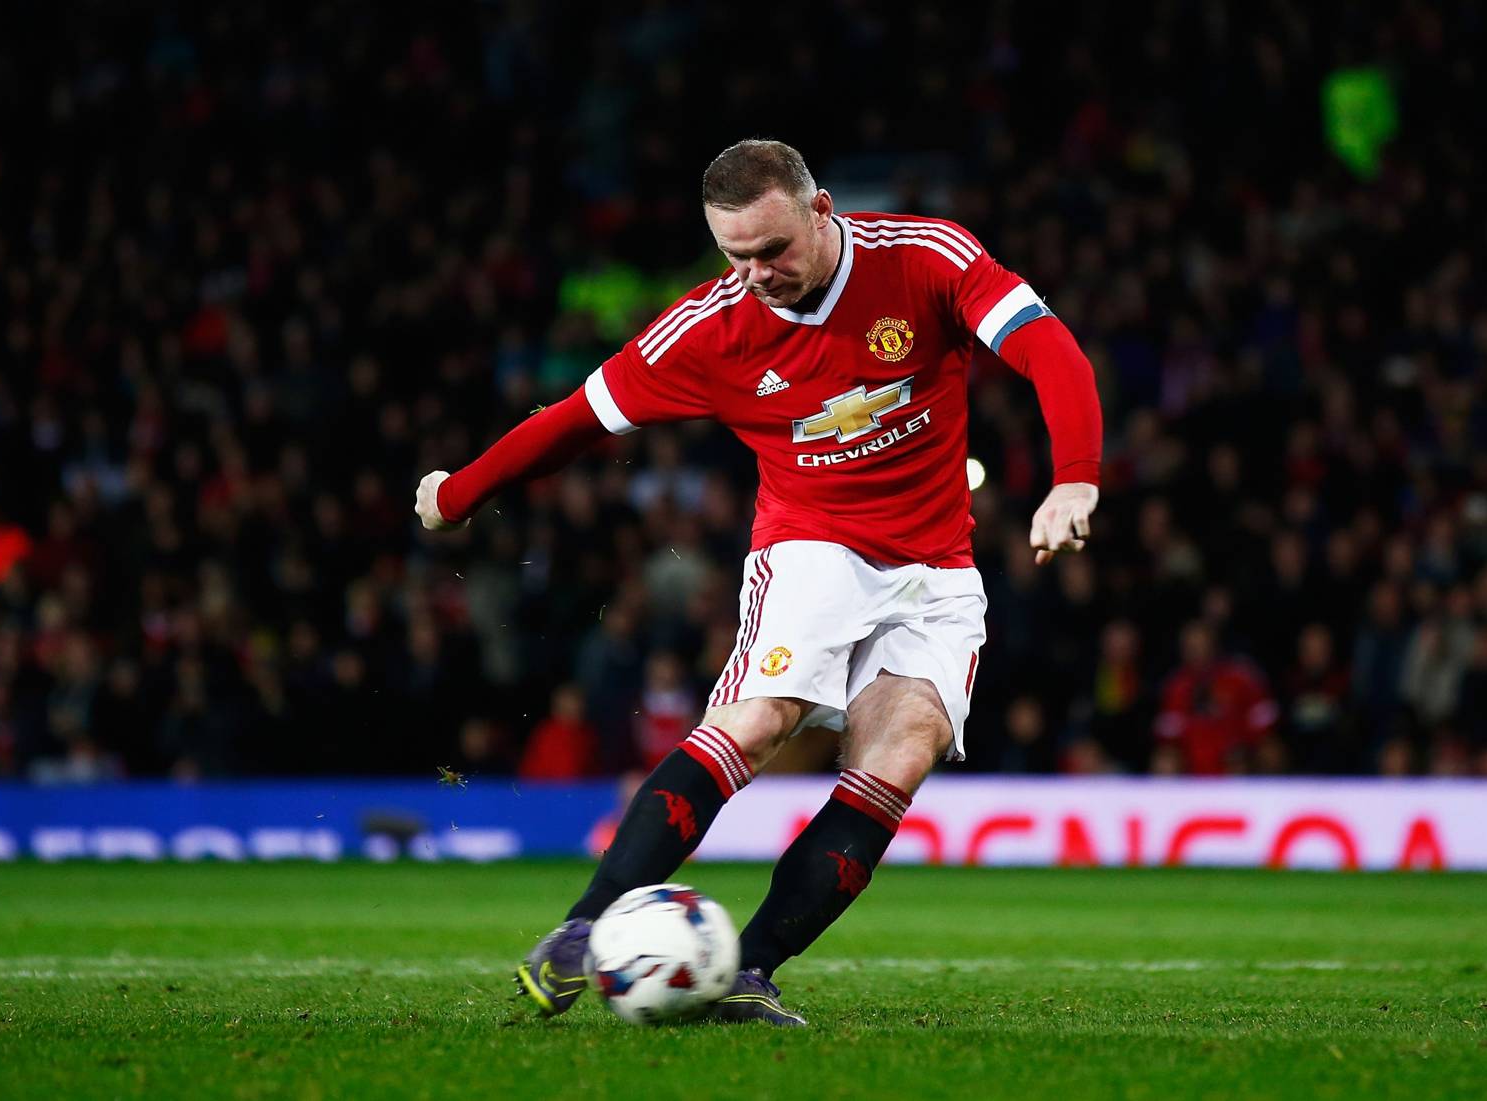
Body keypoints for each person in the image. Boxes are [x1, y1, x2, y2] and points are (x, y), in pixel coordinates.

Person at [414, 140, 1103, 1026]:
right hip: (813, 546)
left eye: (771, 250)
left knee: (900, 755)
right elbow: (577, 419)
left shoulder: (923, 257)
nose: (755, 274)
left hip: (937, 566)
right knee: (760, 718)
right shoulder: (710, 327)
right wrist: (459, 494)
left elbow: (1049, 347)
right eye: (734, 255)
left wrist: (1074, 477)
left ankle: (751, 970)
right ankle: (584, 929)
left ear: (821, 210)